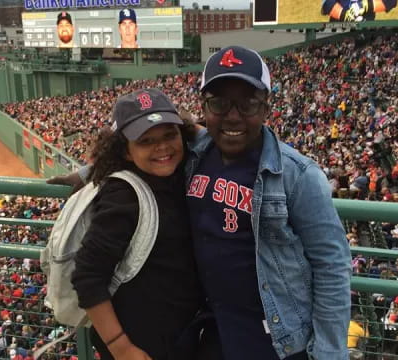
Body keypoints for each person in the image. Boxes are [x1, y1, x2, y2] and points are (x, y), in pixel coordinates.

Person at [50, 46, 352, 360]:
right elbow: (147, 144)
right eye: (219, 103)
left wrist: (331, 353)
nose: (233, 116)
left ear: (266, 107)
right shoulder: (196, 150)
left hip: (278, 340)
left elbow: (332, 266)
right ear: (204, 108)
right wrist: (89, 173)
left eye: (248, 103)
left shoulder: (299, 175)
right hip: (213, 331)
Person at [70, 89, 202, 360]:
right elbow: (87, 276)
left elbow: (206, 132)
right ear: (127, 153)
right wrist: (121, 347)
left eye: (169, 135)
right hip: (141, 348)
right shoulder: (123, 195)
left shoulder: (179, 173)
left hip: (181, 337)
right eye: (145, 141)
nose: (162, 147)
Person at [321, 0, 398, 22]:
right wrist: (343, 14)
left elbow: (391, 1)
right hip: (339, 24)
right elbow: (326, 3)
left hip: (366, 23)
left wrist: (366, 5)